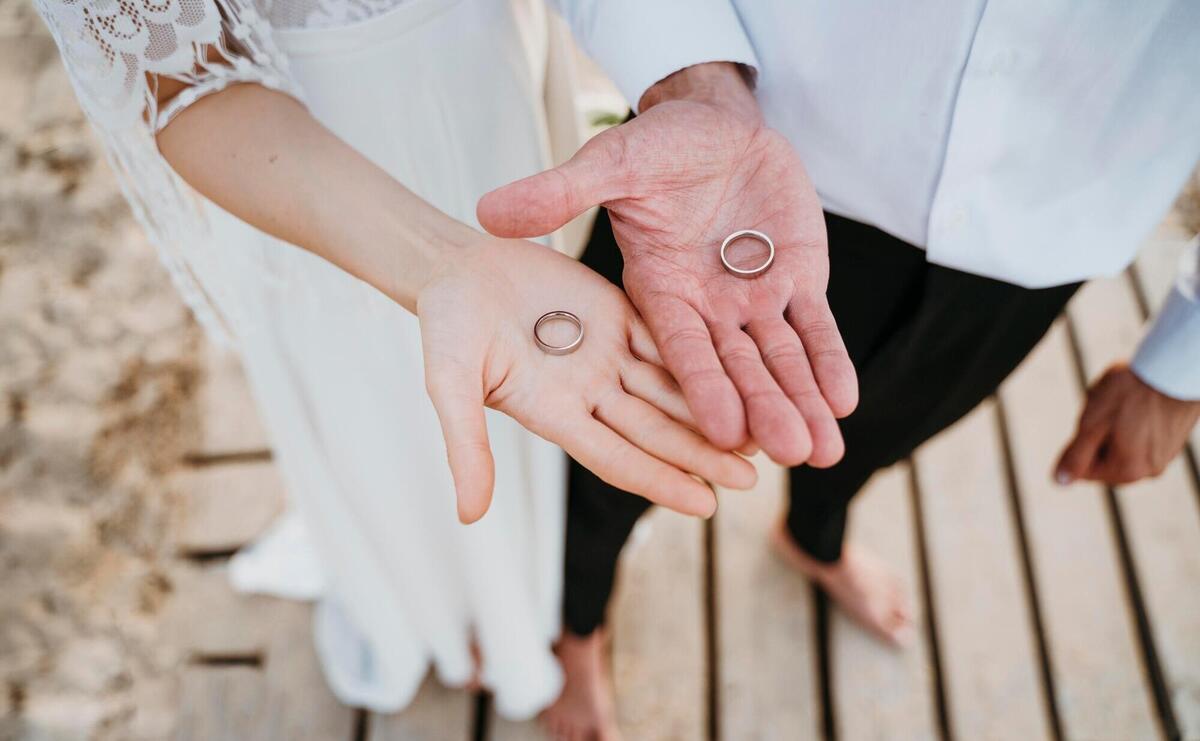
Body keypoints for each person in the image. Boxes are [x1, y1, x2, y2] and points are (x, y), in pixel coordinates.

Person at [476, 2, 1200, 737]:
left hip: (1037, 237)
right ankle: (578, 623)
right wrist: (689, 78)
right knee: (617, 443)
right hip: (742, 164)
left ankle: (813, 536)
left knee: (867, 432)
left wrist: (1186, 357)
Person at [32, 0, 756, 721]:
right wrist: (444, 266)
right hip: (311, 172)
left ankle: (547, 605)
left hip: (486, 78)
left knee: (536, 391)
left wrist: (695, 88)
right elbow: (184, 82)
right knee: (390, 405)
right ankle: (452, 606)